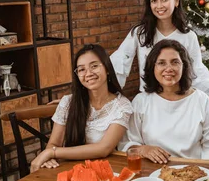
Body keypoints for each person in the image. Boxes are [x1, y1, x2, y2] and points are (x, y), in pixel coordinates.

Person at [110, 0, 209, 97]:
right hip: (148, 101)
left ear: (176, 1)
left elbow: (197, 77)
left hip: (180, 101)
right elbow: (118, 65)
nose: (159, 6)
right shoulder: (140, 33)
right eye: (154, 1)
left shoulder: (189, 37)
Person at [30, 44, 133, 172]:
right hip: (69, 169)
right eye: (81, 69)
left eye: (94, 66)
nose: (88, 73)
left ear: (107, 68)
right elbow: (54, 143)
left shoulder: (122, 106)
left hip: (106, 170)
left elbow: (104, 148)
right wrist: (51, 153)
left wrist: (52, 153)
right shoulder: (68, 102)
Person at [122, 39, 209, 162]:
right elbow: (128, 142)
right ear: (152, 67)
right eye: (161, 63)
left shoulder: (200, 99)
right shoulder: (141, 101)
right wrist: (143, 149)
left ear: (184, 66)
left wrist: (204, 170)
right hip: (152, 172)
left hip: (195, 171)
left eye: (175, 62)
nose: (169, 68)